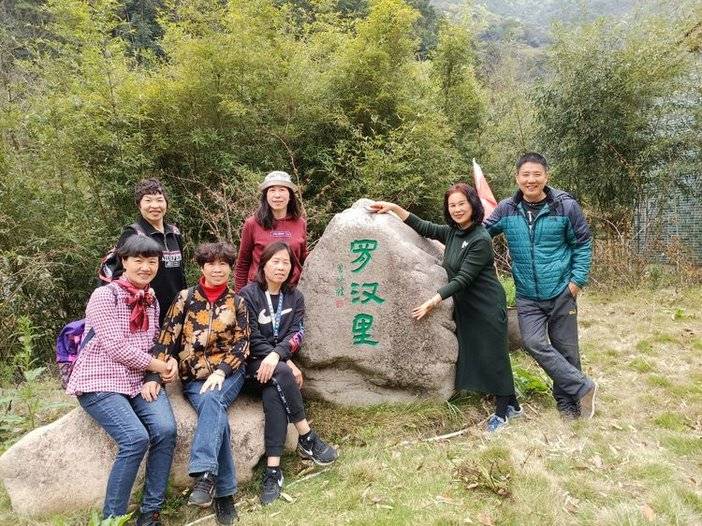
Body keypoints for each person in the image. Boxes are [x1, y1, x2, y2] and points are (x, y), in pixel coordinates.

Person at [371, 186, 522, 432]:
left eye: (462, 203)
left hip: (486, 305)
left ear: (473, 205)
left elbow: (463, 278)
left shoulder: (480, 238)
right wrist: (394, 208)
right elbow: (425, 227)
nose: (457, 209)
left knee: (494, 357)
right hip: (467, 306)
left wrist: (433, 301)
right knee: (481, 354)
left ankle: (502, 413)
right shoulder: (453, 232)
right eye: (452, 205)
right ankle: (513, 404)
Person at [66, 236, 178, 526]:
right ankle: (113, 518)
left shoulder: (151, 299)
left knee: (166, 430)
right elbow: (116, 347)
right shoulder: (104, 296)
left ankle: (150, 512)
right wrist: (157, 365)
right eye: (138, 260)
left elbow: (156, 342)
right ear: (124, 262)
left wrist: (166, 364)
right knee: (134, 438)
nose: (145, 267)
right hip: (99, 381)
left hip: (137, 380)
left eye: (151, 261)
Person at [484, 152, 597, 420]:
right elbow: (479, 232)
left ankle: (568, 404)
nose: (531, 180)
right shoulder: (507, 209)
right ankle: (583, 386)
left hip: (561, 290)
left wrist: (576, 282)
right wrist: (445, 236)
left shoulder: (565, 206)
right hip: (527, 295)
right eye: (525, 174)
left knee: (566, 350)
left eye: (537, 174)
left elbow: (582, 244)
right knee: (533, 342)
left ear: (546, 176)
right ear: (517, 178)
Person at [151, 242, 249, 526]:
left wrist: (222, 371)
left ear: (230, 268)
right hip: (194, 376)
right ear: (202, 267)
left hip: (229, 374)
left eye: (223, 264)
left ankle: (205, 476)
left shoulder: (237, 302)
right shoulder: (185, 298)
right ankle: (223, 493)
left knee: (213, 398)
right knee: (214, 408)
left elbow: (243, 344)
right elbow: (167, 337)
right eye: (211, 264)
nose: (217, 269)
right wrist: (155, 374)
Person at [239, 242, 338, 505]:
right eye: (276, 261)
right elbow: (250, 336)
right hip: (252, 367)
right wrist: (279, 358)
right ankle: (307, 435)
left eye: (286, 263)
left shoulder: (295, 297)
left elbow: (297, 334)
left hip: (276, 369)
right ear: (263, 264)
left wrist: (278, 357)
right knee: (282, 372)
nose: (281, 267)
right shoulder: (248, 295)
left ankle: (273, 470)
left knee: (275, 391)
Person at [234, 170, 307, 386]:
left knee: (287, 335)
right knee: (261, 338)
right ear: (265, 194)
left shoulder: (299, 223)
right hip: (257, 294)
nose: (277, 195)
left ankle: (283, 369)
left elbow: (302, 259)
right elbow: (243, 263)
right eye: (272, 190)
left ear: (290, 195)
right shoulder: (253, 223)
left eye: (282, 190)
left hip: (288, 293)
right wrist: (238, 299)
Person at [114, 178, 187, 326]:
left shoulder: (174, 232)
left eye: (160, 200)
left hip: (176, 309)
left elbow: (181, 271)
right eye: (148, 200)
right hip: (146, 309)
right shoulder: (133, 234)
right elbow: (119, 274)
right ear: (139, 205)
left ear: (166, 203)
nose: (155, 206)